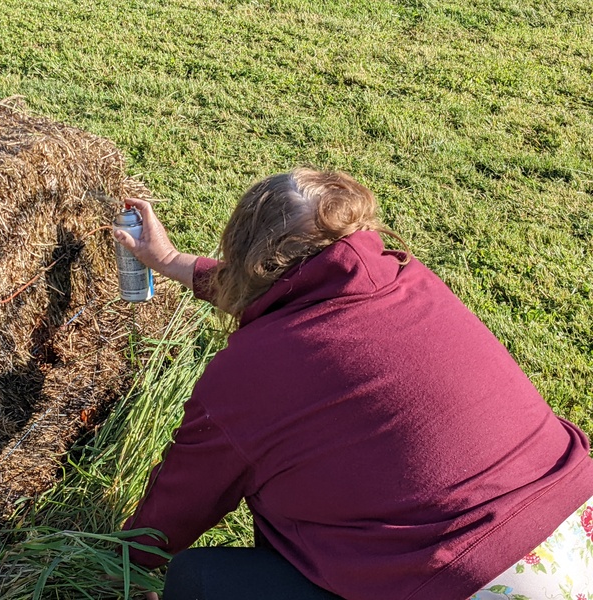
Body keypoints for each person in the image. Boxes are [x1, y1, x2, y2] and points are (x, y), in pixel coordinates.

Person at [112, 168, 593, 600]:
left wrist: (122, 566)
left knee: (202, 582)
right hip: (577, 531)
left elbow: (178, 504)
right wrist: (174, 261)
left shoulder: (248, 374)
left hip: (471, 581)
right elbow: (302, 296)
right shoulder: (408, 280)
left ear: (249, 255)